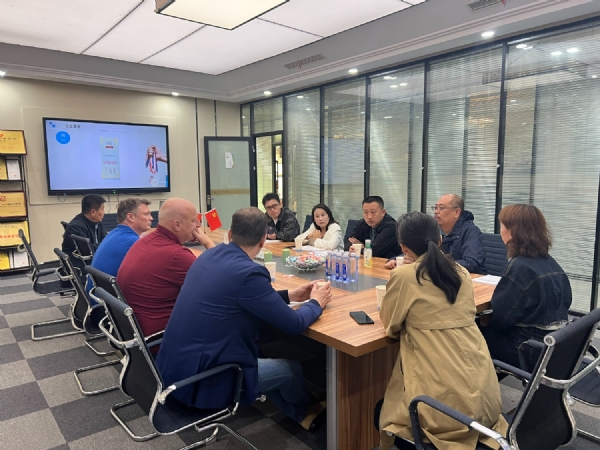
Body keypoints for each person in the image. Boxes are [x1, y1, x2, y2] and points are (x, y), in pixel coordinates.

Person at [156, 207, 331, 432]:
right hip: (200, 379)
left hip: (173, 367)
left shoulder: (209, 255)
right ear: (263, 240)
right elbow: (294, 324)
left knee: (260, 355)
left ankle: (297, 412)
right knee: (290, 370)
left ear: (230, 234)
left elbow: (243, 296)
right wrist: (316, 302)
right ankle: (306, 409)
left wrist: (290, 295)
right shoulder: (249, 272)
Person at [375, 211, 507, 449]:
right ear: (440, 240)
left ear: (404, 248)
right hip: (486, 397)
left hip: (442, 412)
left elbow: (391, 325)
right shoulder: (461, 272)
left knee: (381, 409)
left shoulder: (404, 276)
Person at [480, 204, 572, 371]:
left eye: (502, 225)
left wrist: (486, 319)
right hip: (552, 344)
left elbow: (501, 320)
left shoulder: (520, 267)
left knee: (470, 334)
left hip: (526, 348)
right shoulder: (550, 262)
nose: (500, 230)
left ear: (512, 232)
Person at [117, 198, 215, 338]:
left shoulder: (145, 241)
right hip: (163, 338)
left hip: (137, 332)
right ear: (177, 225)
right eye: (194, 220)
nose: (199, 225)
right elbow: (219, 284)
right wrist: (209, 244)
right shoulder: (177, 256)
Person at [385, 194, 486, 273]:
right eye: (435, 208)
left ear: (456, 212)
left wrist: (427, 263)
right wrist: (396, 259)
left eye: (441, 208)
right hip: (439, 276)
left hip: (469, 280)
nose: (436, 212)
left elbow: (471, 264)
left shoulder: (471, 231)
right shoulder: (434, 228)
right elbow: (418, 248)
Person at [85, 198, 152, 291]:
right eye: (146, 214)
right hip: (109, 298)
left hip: (98, 294)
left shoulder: (115, 233)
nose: (151, 218)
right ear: (130, 217)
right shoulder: (132, 242)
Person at [61, 193, 106, 279]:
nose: (104, 212)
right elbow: (88, 250)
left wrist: (105, 244)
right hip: (81, 270)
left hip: (92, 263)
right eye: (102, 209)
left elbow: (105, 239)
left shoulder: (97, 223)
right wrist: (105, 245)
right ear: (93, 212)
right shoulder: (75, 227)